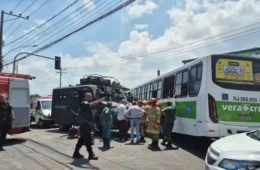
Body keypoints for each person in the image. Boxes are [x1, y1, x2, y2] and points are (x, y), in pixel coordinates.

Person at [72, 92, 105, 160]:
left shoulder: (87, 104)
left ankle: (76, 153)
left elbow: (91, 105)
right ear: (85, 97)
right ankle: (91, 154)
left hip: (87, 125)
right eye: (89, 97)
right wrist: (99, 100)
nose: (91, 98)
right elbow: (91, 104)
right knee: (88, 139)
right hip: (85, 125)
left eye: (91, 96)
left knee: (82, 139)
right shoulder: (84, 103)